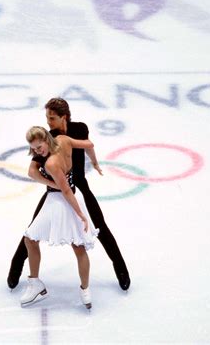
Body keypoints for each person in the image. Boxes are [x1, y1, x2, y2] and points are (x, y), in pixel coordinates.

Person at [8, 98, 131, 291]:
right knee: (33, 230)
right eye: (47, 117)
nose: (48, 122)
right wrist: (51, 183)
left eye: (52, 118)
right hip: (55, 192)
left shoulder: (80, 129)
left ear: (63, 117)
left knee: (100, 226)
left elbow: (88, 146)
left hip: (79, 186)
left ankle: (121, 270)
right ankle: (15, 269)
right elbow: (33, 170)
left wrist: (95, 162)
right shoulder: (48, 138)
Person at [20, 126, 99, 308]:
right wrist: (94, 161)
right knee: (30, 239)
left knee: (77, 246)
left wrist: (80, 214)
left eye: (39, 147)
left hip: (61, 201)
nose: (37, 152)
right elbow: (89, 144)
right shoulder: (63, 139)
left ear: (47, 140)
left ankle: (84, 290)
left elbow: (63, 190)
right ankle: (37, 284)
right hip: (70, 195)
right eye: (33, 148)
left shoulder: (51, 163)